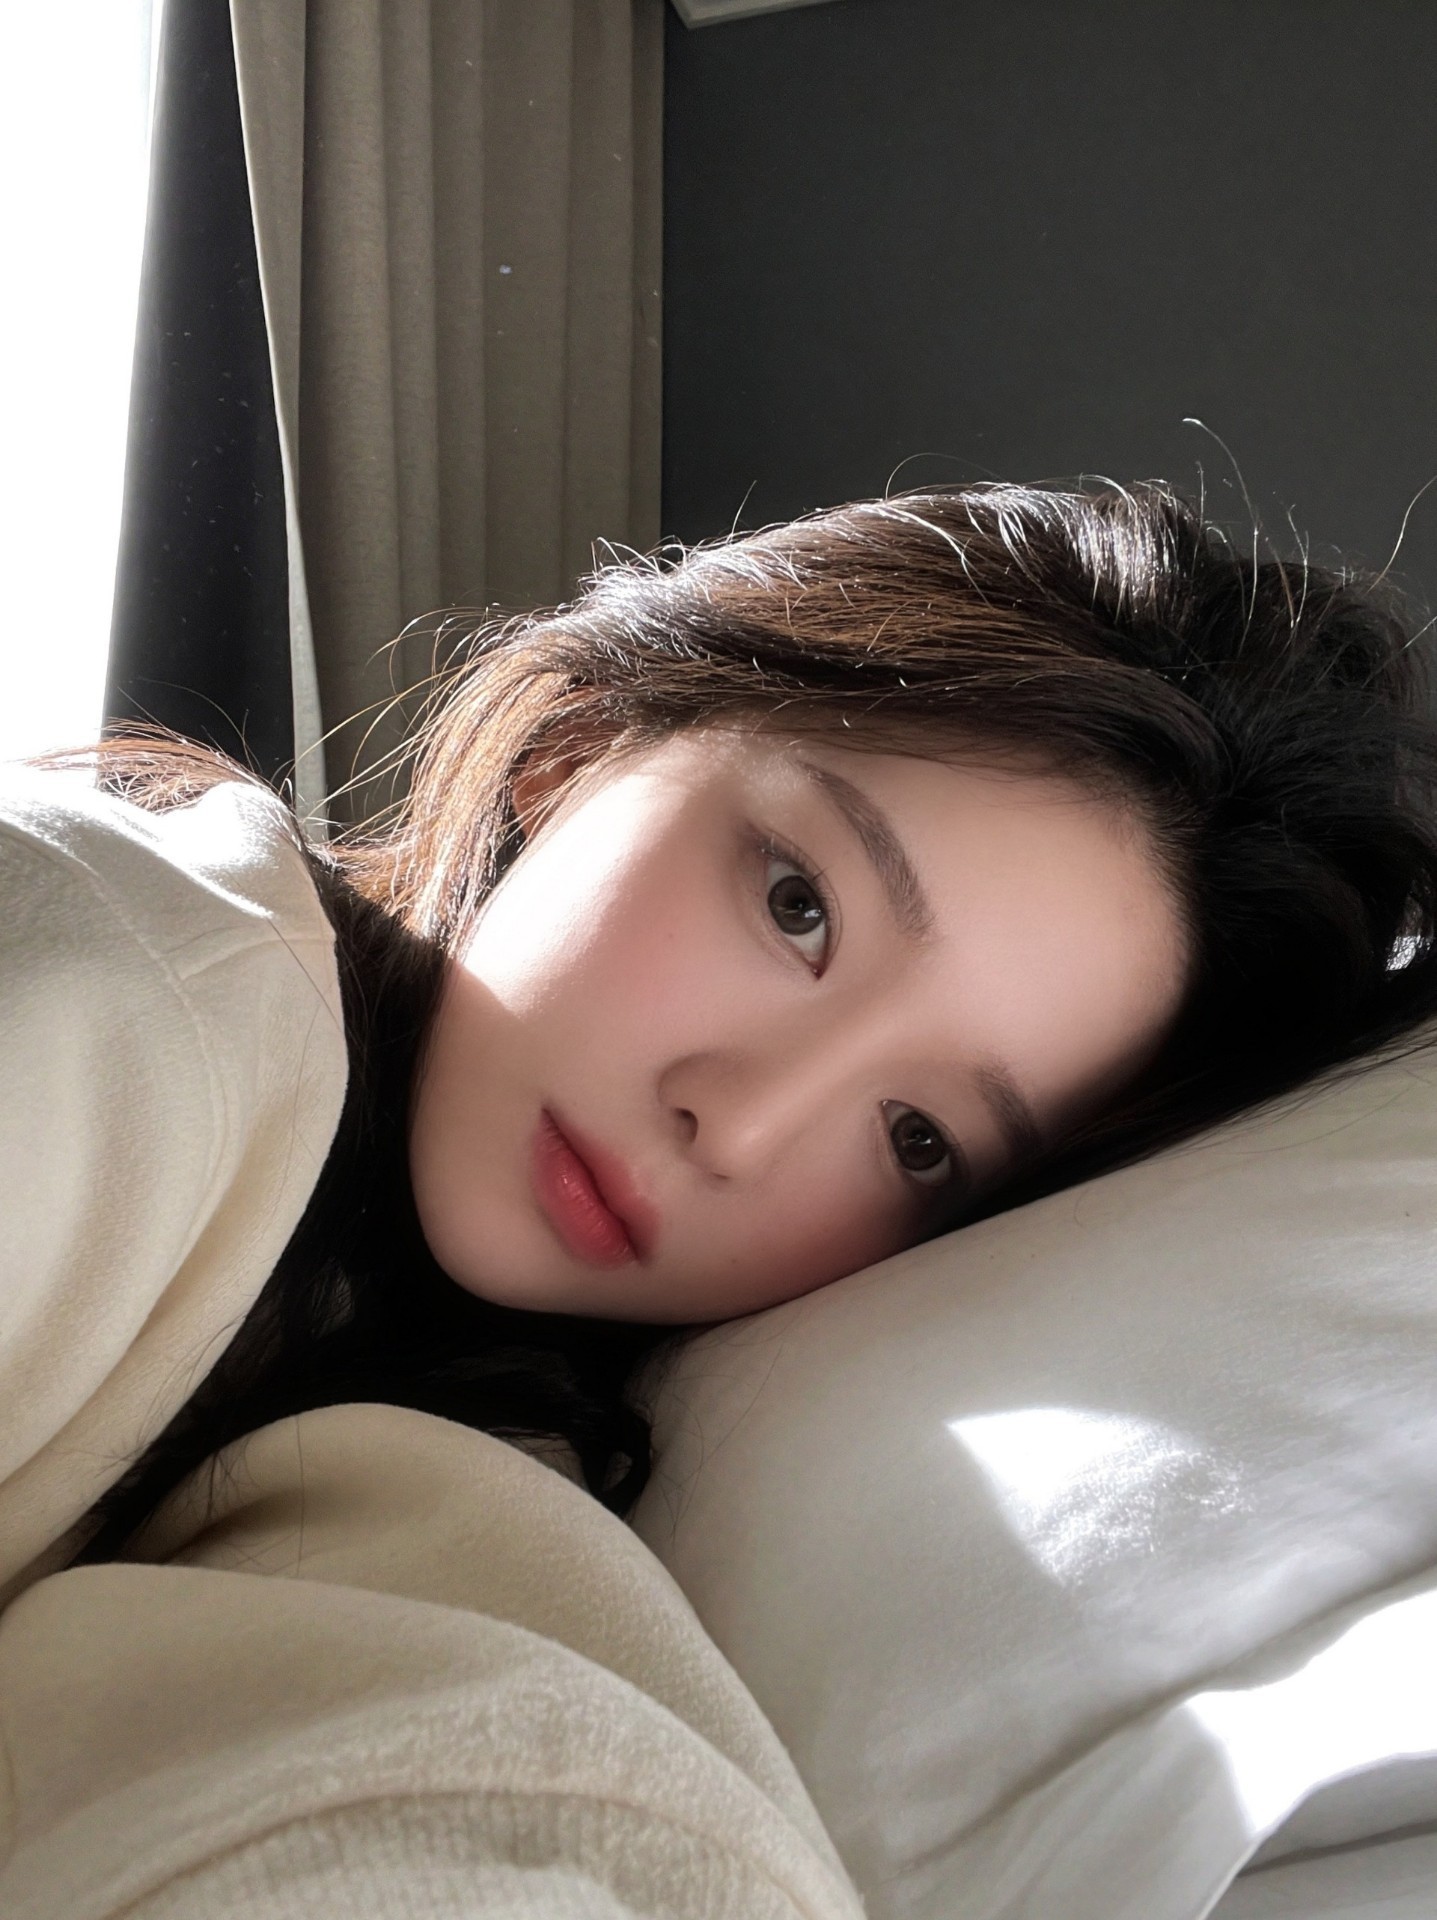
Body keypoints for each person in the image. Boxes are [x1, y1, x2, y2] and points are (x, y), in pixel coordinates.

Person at [16, 477, 1437, 1575]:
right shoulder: (131, 975)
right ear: (583, 744)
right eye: (796, 907)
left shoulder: (535, 1470)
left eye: (918, 1137)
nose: (738, 1125)